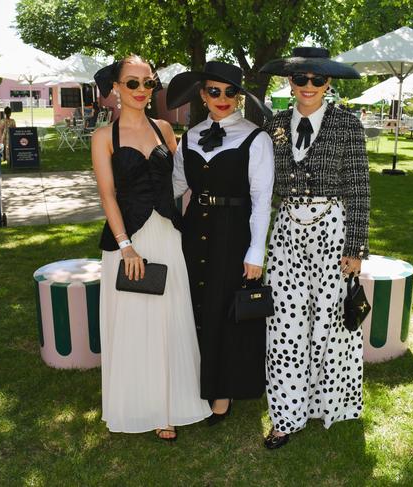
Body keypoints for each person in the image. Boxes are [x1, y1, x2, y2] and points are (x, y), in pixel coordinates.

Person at [91, 55, 211, 441]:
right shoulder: (103, 137)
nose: (143, 90)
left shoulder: (164, 129)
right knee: (132, 322)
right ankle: (138, 403)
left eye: (149, 83)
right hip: (127, 240)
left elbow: (181, 182)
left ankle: (167, 406)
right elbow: (107, 195)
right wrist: (126, 246)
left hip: (168, 235)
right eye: (133, 83)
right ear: (115, 88)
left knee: (169, 320)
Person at [259, 47, 370, 449]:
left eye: (317, 79)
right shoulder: (273, 125)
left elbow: (359, 189)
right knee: (285, 325)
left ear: (328, 83)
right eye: (300, 78)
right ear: (290, 82)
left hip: (333, 234)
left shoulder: (347, 124)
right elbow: (262, 184)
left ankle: (327, 404)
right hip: (287, 232)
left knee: (329, 323)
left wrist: (356, 246)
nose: (308, 86)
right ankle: (287, 415)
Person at [166, 61, 274, 424]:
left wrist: (255, 251)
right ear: (202, 94)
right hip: (194, 230)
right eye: (215, 91)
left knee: (225, 311)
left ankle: (223, 393)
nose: (223, 98)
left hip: (234, 233)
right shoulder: (190, 135)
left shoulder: (256, 138)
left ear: (240, 96)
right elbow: (177, 185)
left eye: (231, 92)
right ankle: (196, 381)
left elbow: (262, 199)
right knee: (195, 305)